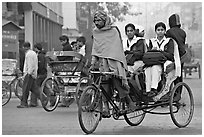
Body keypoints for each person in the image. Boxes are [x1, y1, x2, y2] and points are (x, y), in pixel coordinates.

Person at [91, 10, 137, 117]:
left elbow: (115, 48)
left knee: (118, 81)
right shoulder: (96, 32)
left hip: (114, 61)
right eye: (95, 20)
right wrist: (93, 62)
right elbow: (96, 48)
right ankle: (106, 108)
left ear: (105, 20)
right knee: (103, 84)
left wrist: (110, 58)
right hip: (103, 63)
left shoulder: (113, 31)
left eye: (99, 20)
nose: (97, 23)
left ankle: (129, 101)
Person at [145, 22, 174, 97]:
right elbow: (148, 53)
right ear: (156, 31)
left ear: (165, 31)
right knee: (147, 69)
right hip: (153, 61)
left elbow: (170, 55)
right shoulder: (152, 41)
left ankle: (154, 89)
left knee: (155, 68)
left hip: (164, 62)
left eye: (162, 30)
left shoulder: (169, 41)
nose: (160, 31)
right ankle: (148, 90)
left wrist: (160, 52)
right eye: (158, 30)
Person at [17, 42, 47, 108]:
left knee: (25, 88)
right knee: (34, 88)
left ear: (25, 47)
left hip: (29, 74)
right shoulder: (32, 53)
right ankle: (44, 98)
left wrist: (28, 73)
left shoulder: (29, 54)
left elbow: (30, 65)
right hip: (32, 73)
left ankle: (24, 103)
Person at [166, 13, 187, 100]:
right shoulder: (183, 32)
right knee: (179, 74)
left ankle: (169, 94)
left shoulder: (169, 32)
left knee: (170, 74)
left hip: (174, 55)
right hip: (182, 55)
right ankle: (178, 94)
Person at [29, 43, 47, 107]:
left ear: (36, 48)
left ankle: (34, 102)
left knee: (35, 87)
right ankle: (52, 99)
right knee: (45, 88)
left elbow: (40, 65)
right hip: (44, 73)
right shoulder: (43, 55)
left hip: (40, 74)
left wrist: (37, 72)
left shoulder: (40, 56)